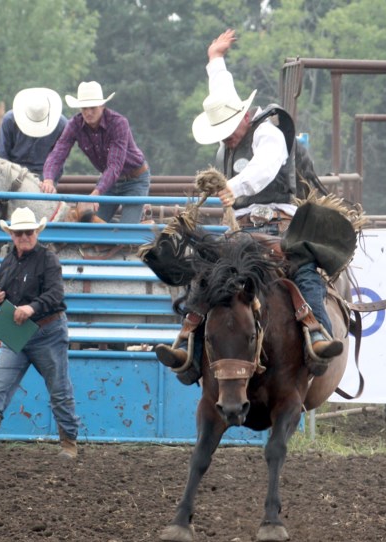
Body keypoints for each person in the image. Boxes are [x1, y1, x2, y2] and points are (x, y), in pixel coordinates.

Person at [154, 28, 345, 384]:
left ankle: (318, 336)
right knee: (207, 278)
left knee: (303, 269)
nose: (226, 138)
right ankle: (187, 350)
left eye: (228, 129)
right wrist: (215, 59)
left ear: (244, 116)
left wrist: (232, 185)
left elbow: (264, 167)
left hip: (279, 226)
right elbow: (220, 91)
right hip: (241, 232)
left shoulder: (267, 133)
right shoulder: (232, 127)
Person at [0, 207, 83, 461]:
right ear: (12, 235)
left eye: (28, 232)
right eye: (20, 232)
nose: (24, 236)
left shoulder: (48, 259)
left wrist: (31, 308)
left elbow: (56, 295)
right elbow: (10, 297)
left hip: (48, 331)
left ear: (35, 232)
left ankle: (69, 442)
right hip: (20, 331)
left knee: (59, 388)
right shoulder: (8, 262)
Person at [41, 81, 150, 224]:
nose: (88, 112)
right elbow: (58, 152)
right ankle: (120, 228)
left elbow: (114, 166)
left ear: (102, 106)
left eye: (93, 107)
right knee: (92, 225)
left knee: (128, 231)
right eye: (84, 108)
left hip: (134, 180)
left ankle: (136, 225)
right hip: (109, 182)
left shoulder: (118, 123)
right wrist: (48, 178)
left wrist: (96, 193)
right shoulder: (74, 124)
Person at [0, 87, 68, 178]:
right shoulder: (9, 120)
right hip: (13, 171)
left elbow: (58, 159)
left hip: (44, 174)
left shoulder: (61, 125)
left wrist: (50, 180)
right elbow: (2, 156)